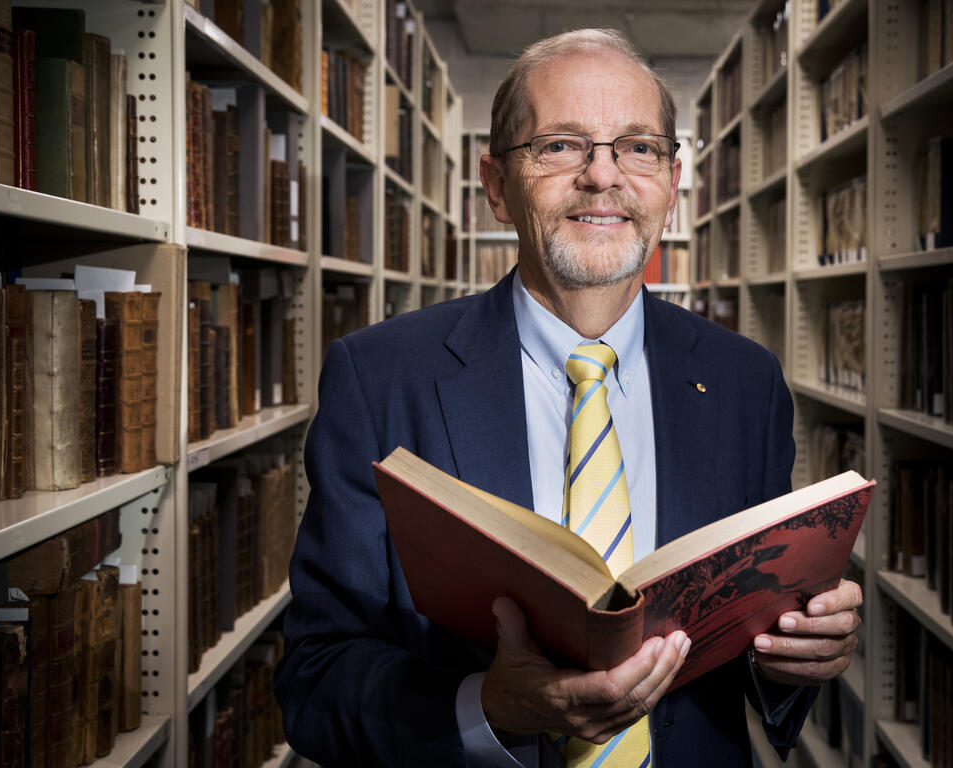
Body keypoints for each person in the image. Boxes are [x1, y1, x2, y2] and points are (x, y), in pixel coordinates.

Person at [275, 28, 863, 768]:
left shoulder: (745, 381)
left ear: (673, 185)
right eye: (560, 145)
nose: (603, 177)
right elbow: (316, 680)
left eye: (638, 147)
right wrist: (488, 706)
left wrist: (791, 657)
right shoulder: (379, 377)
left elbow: (748, 637)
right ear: (495, 185)